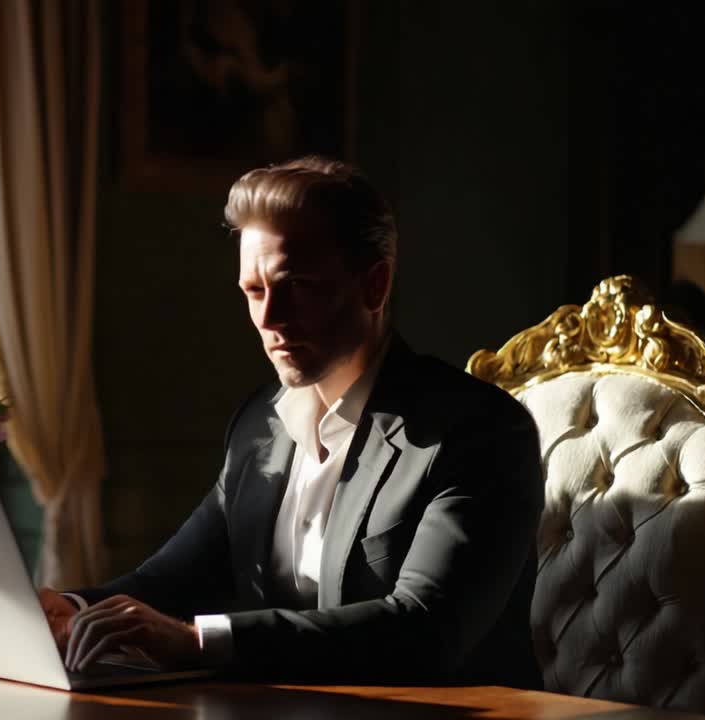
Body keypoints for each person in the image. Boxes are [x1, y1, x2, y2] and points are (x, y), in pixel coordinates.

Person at [38, 156, 544, 687]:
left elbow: (426, 630)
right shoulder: (261, 425)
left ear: (376, 285)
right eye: (254, 291)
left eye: (296, 284)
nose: (268, 319)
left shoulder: (478, 430)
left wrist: (199, 643)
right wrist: (62, 606)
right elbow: (171, 579)